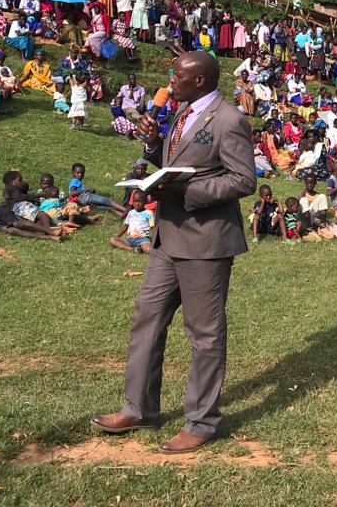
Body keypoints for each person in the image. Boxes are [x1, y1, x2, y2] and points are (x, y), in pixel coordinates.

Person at [91, 51, 256, 454]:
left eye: (177, 75)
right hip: (168, 237)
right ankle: (139, 408)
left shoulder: (229, 119)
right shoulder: (182, 111)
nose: (170, 80)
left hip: (206, 242)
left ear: (200, 81)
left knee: (204, 334)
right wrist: (153, 145)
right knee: (147, 319)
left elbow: (243, 179)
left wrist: (189, 191)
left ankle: (201, 422)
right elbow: (172, 161)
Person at [110, 189, 154, 254]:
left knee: (149, 250)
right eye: (135, 201)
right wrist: (117, 236)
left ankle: (141, 247)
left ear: (145, 202)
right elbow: (126, 226)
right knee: (113, 240)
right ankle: (132, 249)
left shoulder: (149, 213)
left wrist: (155, 241)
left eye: (140, 201)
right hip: (129, 239)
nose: (137, 204)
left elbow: (152, 228)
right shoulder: (131, 212)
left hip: (143, 240)